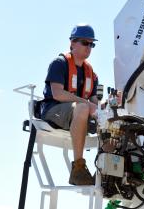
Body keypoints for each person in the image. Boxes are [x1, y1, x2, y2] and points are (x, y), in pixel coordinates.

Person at [41, 24, 98, 186]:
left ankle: (104, 169)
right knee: (83, 107)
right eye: (85, 43)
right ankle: (78, 169)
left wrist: (104, 109)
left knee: (111, 119)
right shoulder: (59, 64)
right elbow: (57, 93)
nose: (89, 47)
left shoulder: (92, 74)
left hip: (78, 115)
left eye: (91, 44)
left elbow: (94, 102)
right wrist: (88, 105)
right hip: (53, 111)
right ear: (72, 43)